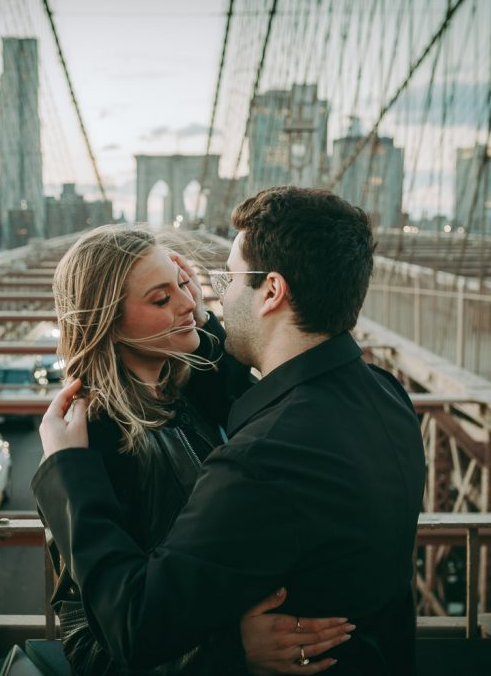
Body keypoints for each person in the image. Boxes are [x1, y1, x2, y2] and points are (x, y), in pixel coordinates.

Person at [33, 187, 426, 674]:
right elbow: (89, 636)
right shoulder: (386, 396)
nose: (206, 295)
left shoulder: (257, 456)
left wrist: (66, 476)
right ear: (108, 321)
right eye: (166, 294)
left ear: (273, 291)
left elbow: (138, 624)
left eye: (229, 277)